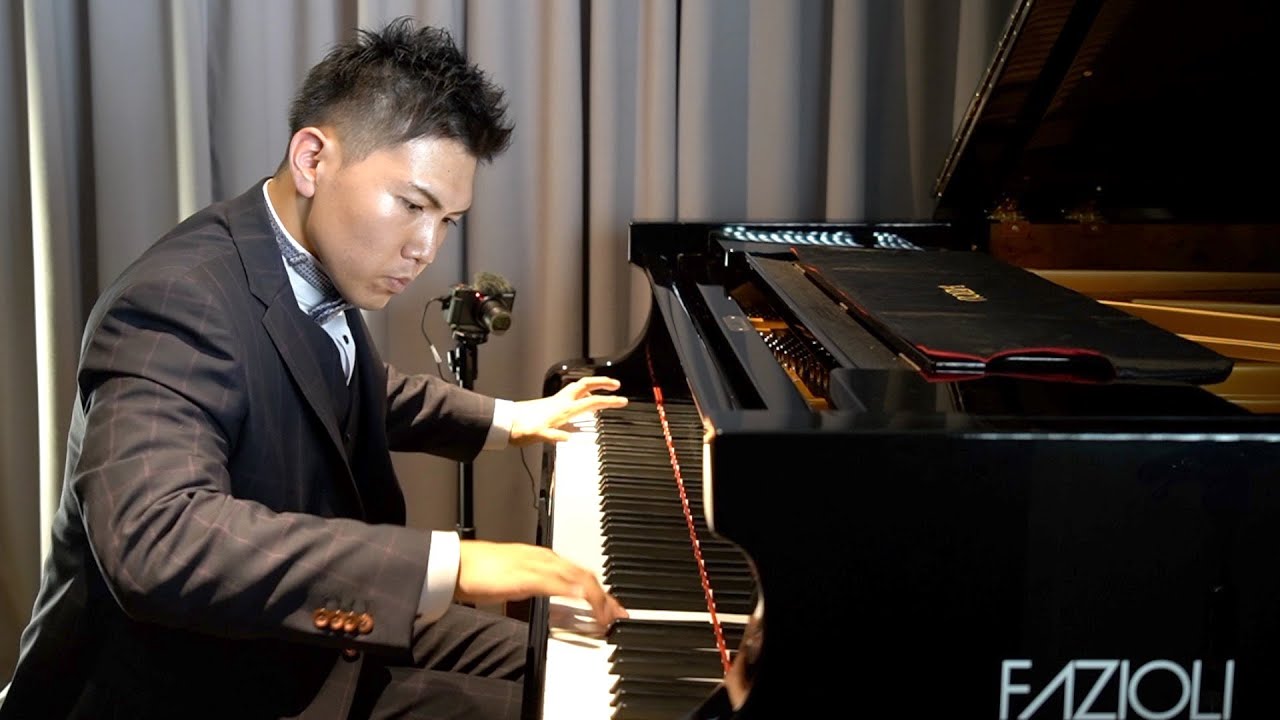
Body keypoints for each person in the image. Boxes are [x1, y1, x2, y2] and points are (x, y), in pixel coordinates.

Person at [0, 17, 627, 720]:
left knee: (587, 665)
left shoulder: (302, 259)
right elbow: (156, 538)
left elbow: (348, 384)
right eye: (412, 205)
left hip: (308, 636)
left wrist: (513, 420)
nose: (426, 248)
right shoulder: (176, 300)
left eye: (447, 220)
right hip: (197, 684)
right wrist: (450, 564)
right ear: (311, 159)